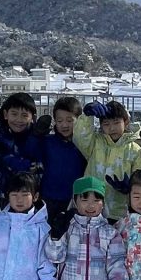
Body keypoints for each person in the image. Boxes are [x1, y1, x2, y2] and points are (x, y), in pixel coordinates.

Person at [73, 99, 141, 221]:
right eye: (106, 124)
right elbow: (80, 137)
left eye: (116, 123)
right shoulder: (95, 143)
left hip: (120, 212)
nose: (112, 128)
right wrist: (87, 116)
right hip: (92, 209)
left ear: (126, 122)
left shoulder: (135, 150)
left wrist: (131, 186)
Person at [39, 95, 87, 227]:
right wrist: (36, 134)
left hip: (74, 200)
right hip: (48, 197)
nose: (64, 125)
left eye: (69, 120)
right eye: (59, 121)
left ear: (79, 119)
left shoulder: (84, 145)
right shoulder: (48, 142)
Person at [0, 92, 45, 205]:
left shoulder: (38, 136)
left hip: (34, 193)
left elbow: (41, 159)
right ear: (6, 114)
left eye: (24, 115)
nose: (19, 120)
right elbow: (0, 160)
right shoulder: (0, 137)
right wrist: (24, 165)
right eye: (14, 114)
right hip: (8, 193)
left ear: (33, 117)